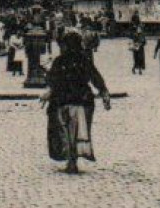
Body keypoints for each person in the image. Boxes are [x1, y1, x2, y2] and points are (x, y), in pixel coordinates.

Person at [42, 30, 112, 175]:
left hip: (63, 101)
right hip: (82, 100)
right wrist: (104, 92)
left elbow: (53, 81)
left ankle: (70, 159)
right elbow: (95, 77)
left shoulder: (59, 60)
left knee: (66, 131)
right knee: (78, 131)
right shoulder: (84, 60)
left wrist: (48, 94)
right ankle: (73, 159)